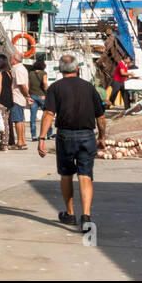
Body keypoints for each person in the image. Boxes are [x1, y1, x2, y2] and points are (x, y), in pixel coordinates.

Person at [38, 54, 107, 230]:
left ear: (60, 70)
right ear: (78, 69)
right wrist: (102, 137)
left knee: (66, 174)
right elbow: (100, 116)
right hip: (87, 135)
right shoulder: (89, 88)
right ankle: (86, 215)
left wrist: (42, 139)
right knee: (85, 175)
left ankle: (70, 214)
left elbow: (48, 114)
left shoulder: (55, 88)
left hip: (65, 136)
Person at [10, 52, 30, 148]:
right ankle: (22, 140)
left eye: (11, 59)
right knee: (21, 121)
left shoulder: (17, 69)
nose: (10, 60)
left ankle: (20, 142)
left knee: (17, 121)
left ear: (14, 60)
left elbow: (21, 84)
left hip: (17, 97)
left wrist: (27, 95)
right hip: (21, 98)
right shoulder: (23, 68)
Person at [28, 53, 49, 140]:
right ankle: (49, 133)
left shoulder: (31, 73)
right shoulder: (44, 73)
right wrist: (47, 91)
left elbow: (28, 85)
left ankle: (33, 135)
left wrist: (28, 95)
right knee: (47, 115)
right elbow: (44, 83)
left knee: (33, 117)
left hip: (32, 96)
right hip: (42, 96)